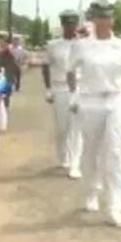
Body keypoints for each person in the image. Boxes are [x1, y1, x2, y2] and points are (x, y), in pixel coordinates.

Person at [66, 0, 121, 228]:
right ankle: (91, 191)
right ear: (93, 19)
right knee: (92, 151)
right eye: (100, 17)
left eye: (108, 16)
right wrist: (74, 94)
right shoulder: (82, 46)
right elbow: (70, 71)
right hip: (90, 100)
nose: (105, 21)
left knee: (115, 152)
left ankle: (116, 207)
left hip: (115, 99)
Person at [42, 10, 84, 178]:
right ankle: (64, 158)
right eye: (68, 24)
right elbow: (45, 66)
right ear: (63, 25)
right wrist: (48, 89)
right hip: (59, 88)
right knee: (61, 128)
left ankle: (75, 164)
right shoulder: (53, 45)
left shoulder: (83, 44)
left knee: (76, 128)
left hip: (78, 88)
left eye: (73, 24)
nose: (71, 27)